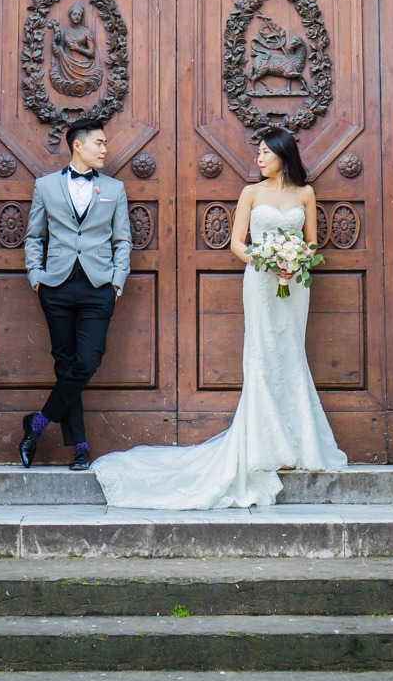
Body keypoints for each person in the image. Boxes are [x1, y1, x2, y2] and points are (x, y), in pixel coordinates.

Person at [93, 125, 346, 508]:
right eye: (258, 152)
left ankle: (301, 444)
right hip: (261, 282)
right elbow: (237, 243)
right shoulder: (250, 192)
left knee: (291, 352)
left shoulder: (305, 194)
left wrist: (296, 262)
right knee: (262, 354)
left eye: (265, 152)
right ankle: (267, 447)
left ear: (282, 155)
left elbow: (311, 241)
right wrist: (267, 260)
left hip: (296, 285)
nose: (259, 158)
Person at [20, 119, 132, 471]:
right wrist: (36, 276)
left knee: (87, 361)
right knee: (66, 365)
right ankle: (80, 447)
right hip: (56, 285)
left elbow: (123, 239)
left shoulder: (115, 188)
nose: (105, 149)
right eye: (99, 143)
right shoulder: (46, 186)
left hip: (99, 286)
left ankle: (37, 424)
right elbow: (34, 236)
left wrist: (117, 280)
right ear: (78, 146)